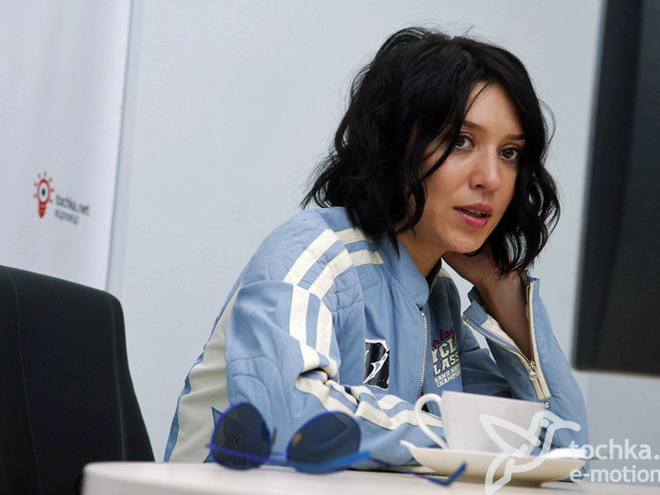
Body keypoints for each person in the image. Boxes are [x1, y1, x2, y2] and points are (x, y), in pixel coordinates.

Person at [164, 27, 588, 466]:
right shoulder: (314, 252)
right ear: (396, 143)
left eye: (510, 152)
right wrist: (462, 438)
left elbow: (562, 447)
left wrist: (503, 289)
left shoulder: (437, 303)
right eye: (461, 141)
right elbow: (291, 421)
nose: (491, 179)